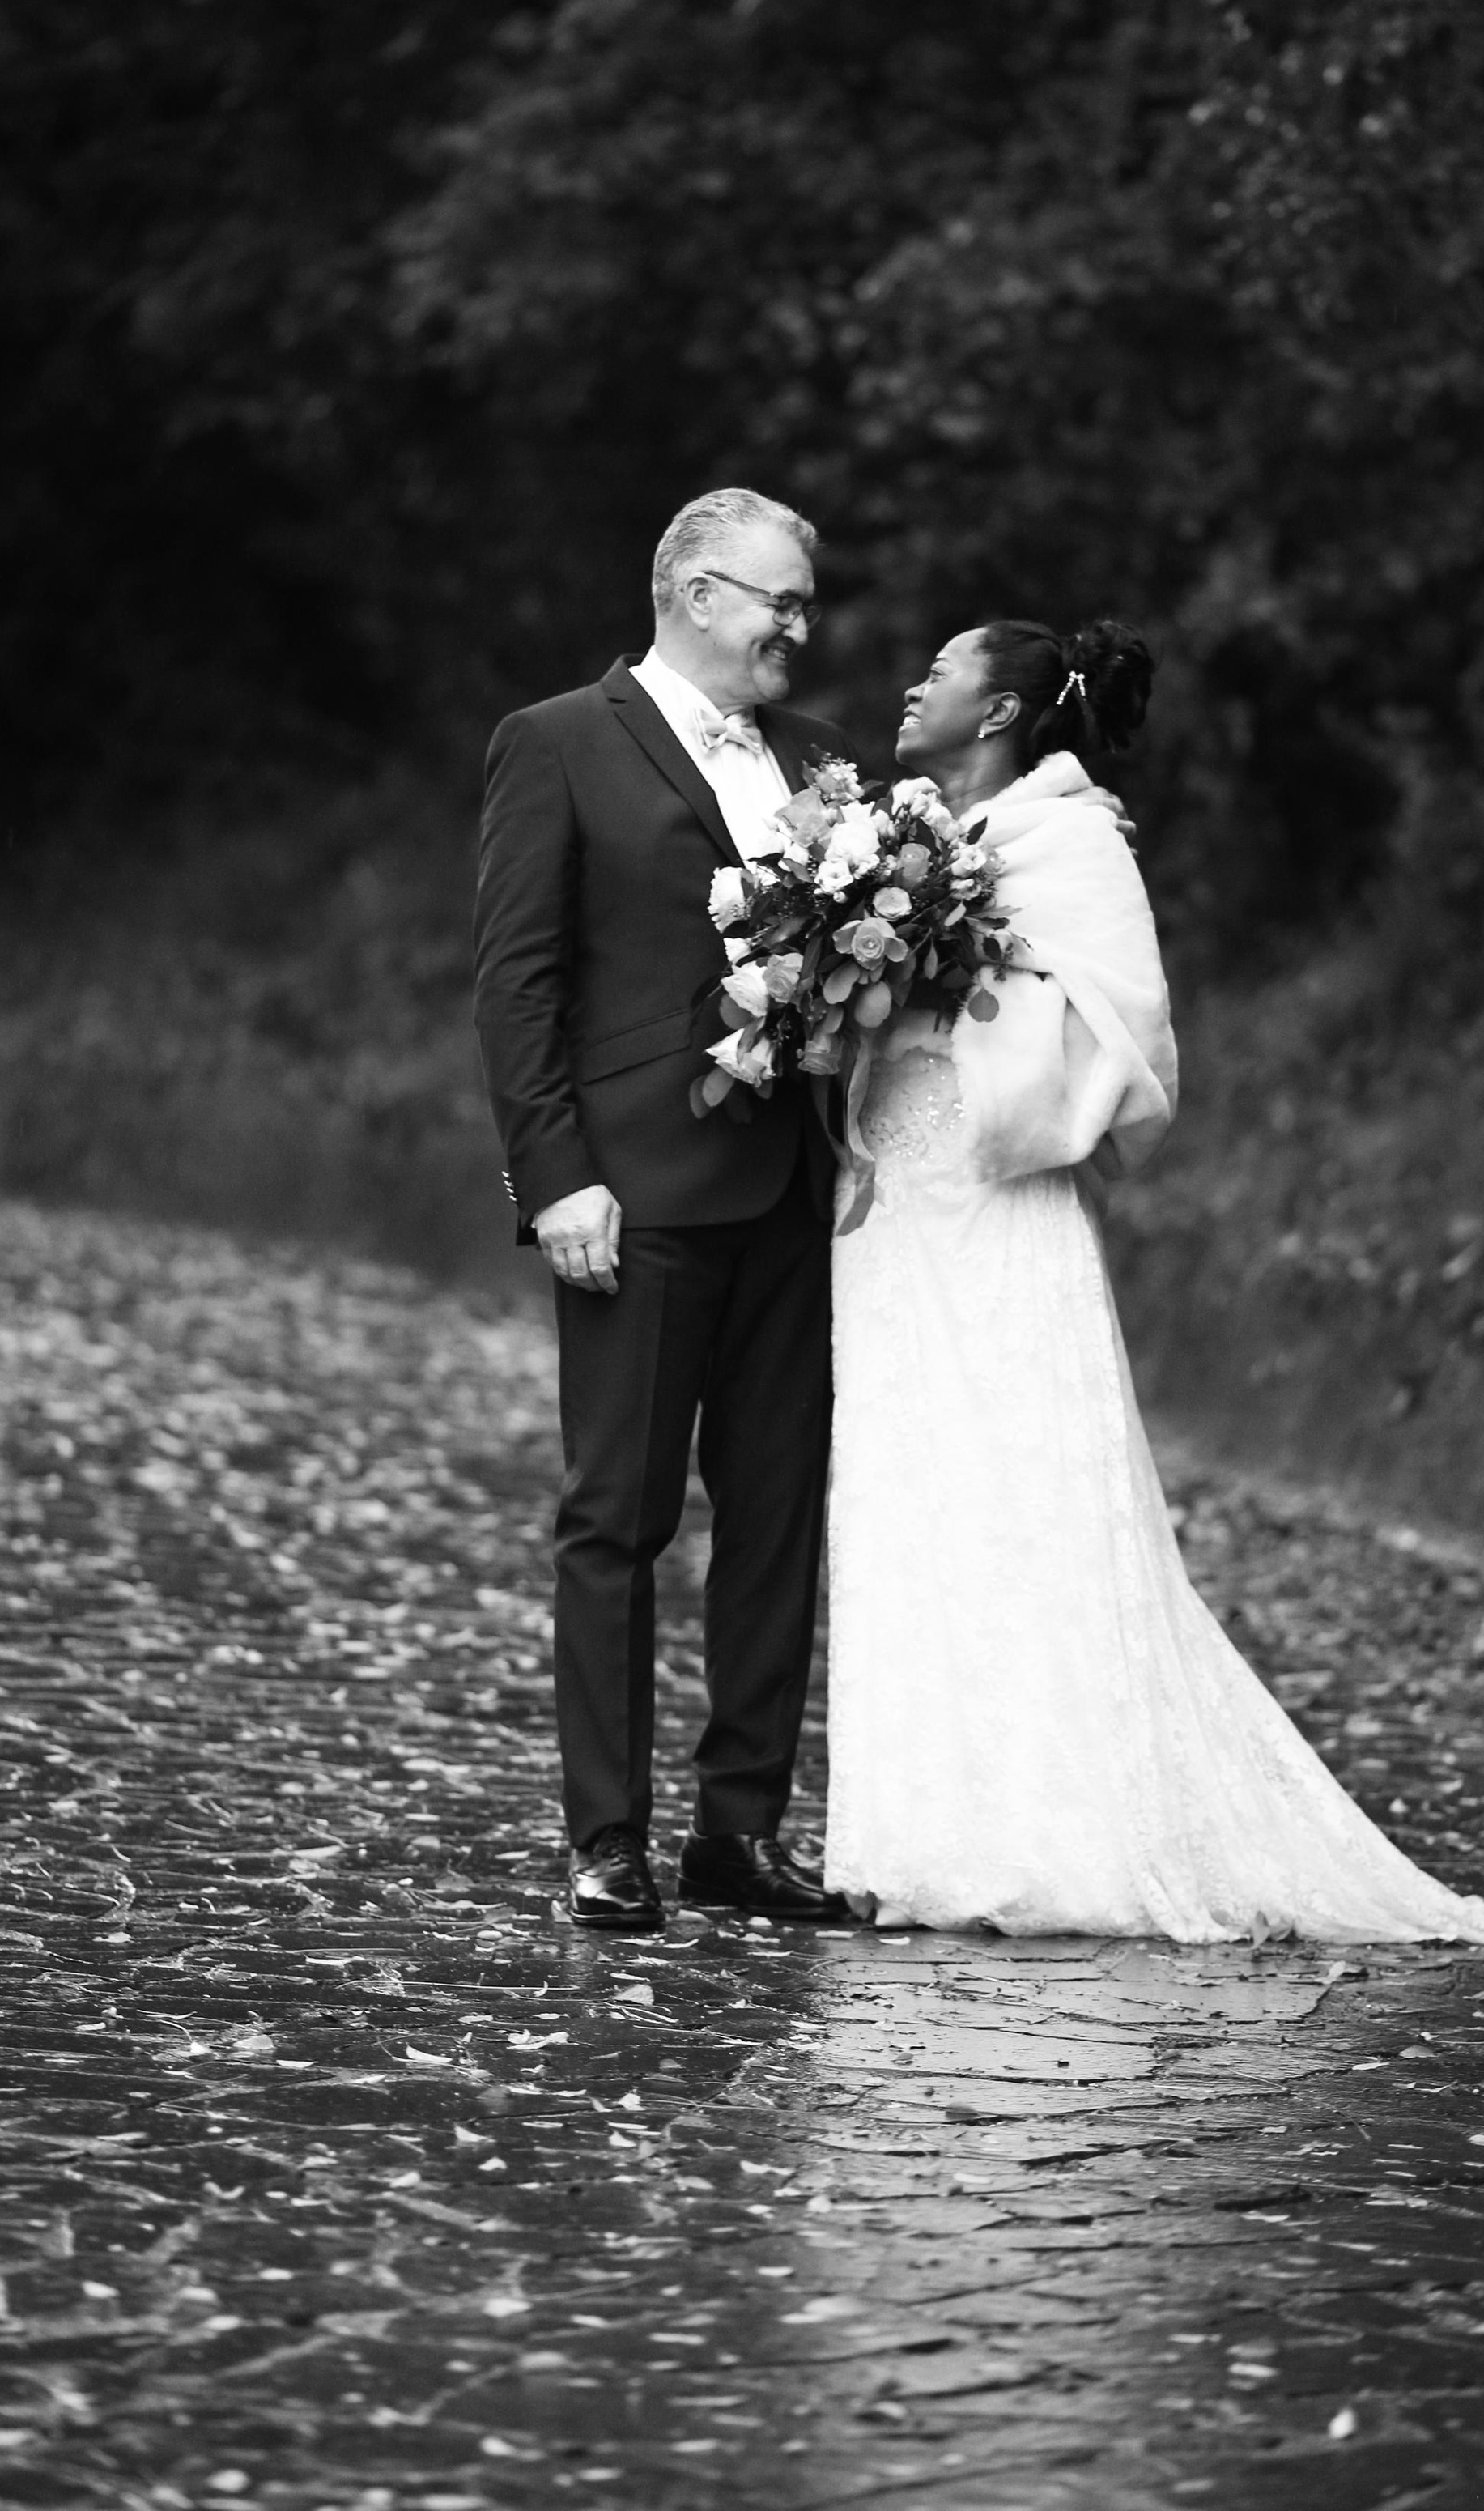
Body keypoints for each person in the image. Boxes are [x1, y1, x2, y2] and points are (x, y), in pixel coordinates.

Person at [823, 613, 1484, 1945]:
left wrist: (938, 991)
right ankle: (912, 1830)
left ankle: (1049, 1832)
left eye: (940, 670)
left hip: (995, 1203)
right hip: (888, 1207)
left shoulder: (1071, 839)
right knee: (904, 1484)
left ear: (998, 713)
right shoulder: (901, 832)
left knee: (1016, 1491)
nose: (911, 683)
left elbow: (1124, 1034)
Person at [474, 487, 849, 1933]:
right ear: (696, 593)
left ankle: (739, 1834)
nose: (798, 629)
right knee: (616, 1517)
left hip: (792, 1189)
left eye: (804, 604)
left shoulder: (822, 765)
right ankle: (608, 1840)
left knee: (775, 1517)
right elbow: (518, 984)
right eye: (780, 601)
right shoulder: (558, 742)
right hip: (632, 1192)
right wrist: (555, 1174)